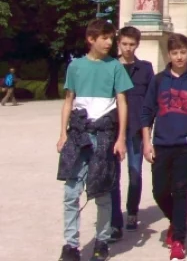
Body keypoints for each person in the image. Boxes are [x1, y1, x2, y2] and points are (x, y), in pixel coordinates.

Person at [57, 19, 133, 261]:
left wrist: (121, 138)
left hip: (104, 134)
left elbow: (122, 102)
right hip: (78, 133)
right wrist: (63, 133)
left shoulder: (115, 67)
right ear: (91, 39)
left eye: (111, 38)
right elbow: (69, 100)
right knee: (71, 192)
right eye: (105, 38)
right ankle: (70, 245)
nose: (110, 42)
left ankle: (102, 241)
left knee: (102, 192)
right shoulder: (75, 66)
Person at [141, 33, 187, 261]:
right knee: (159, 191)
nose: (179, 57)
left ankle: (179, 239)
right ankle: (175, 220)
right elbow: (147, 112)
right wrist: (146, 142)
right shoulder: (158, 80)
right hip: (161, 143)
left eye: (182, 52)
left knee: (180, 191)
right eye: (174, 53)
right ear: (168, 54)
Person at [110, 26, 154, 239]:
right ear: (119, 43)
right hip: (112, 128)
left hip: (136, 128)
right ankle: (115, 219)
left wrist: (148, 131)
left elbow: (151, 101)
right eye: (124, 44)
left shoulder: (145, 68)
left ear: (137, 45)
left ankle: (132, 211)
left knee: (134, 174)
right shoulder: (109, 66)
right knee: (113, 176)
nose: (127, 48)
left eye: (132, 44)